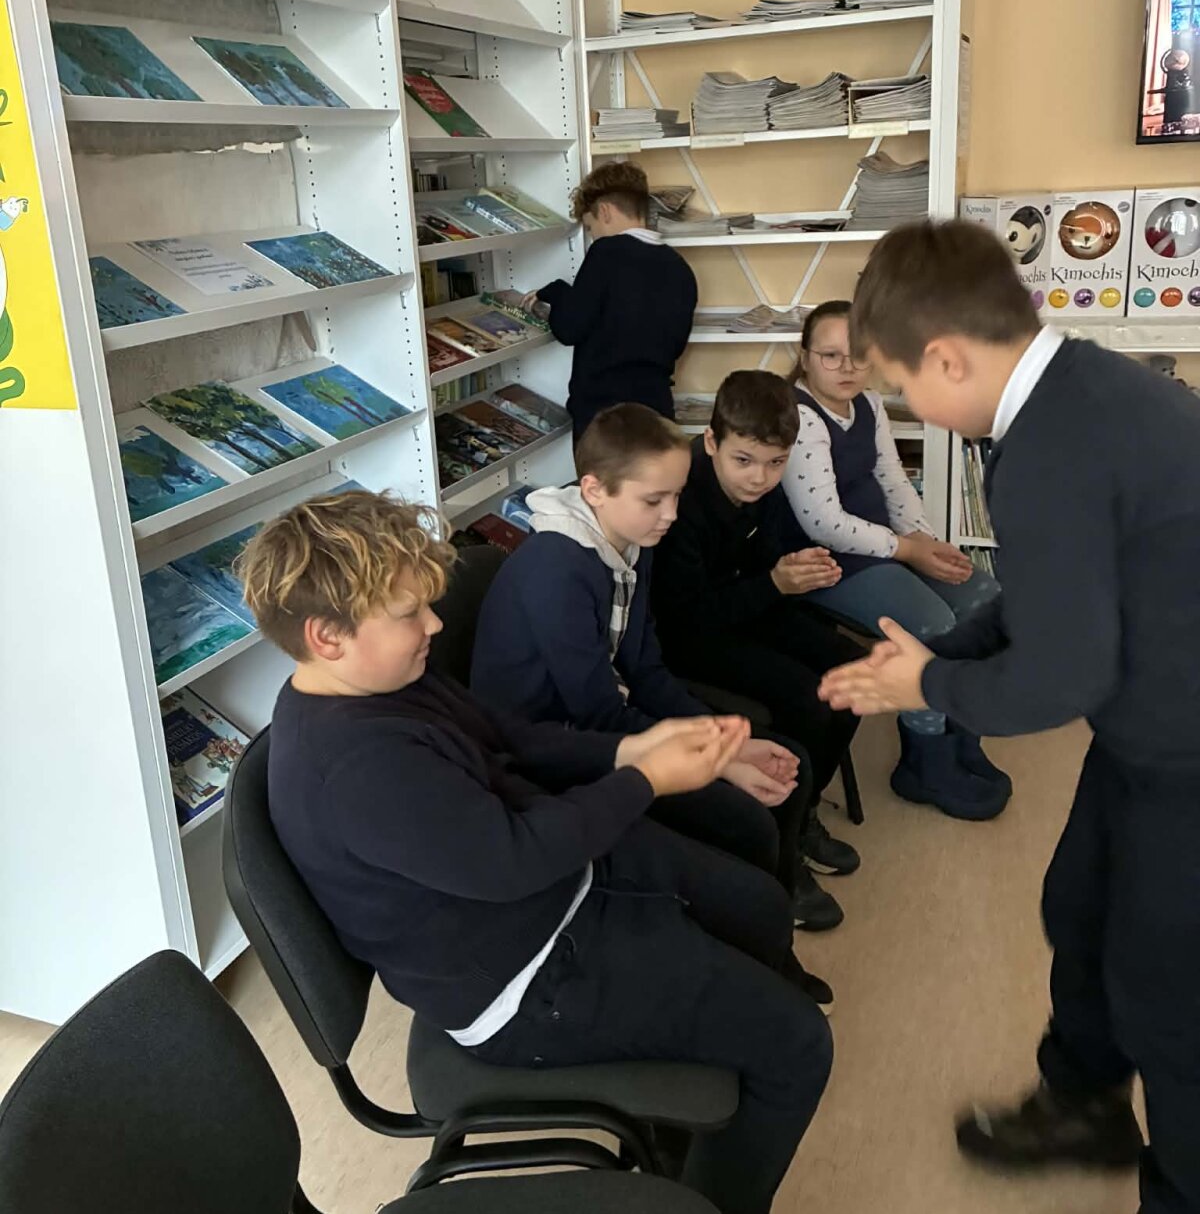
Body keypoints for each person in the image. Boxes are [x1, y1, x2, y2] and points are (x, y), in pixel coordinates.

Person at [241, 489, 832, 1214]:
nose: (434, 623)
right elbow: (513, 861)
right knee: (800, 1046)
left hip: (551, 891)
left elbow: (508, 737)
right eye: (409, 613)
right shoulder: (357, 768)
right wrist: (648, 778)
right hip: (522, 980)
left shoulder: (383, 682)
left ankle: (686, 1126)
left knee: (760, 909)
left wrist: (635, 749)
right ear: (327, 637)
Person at [818, 219, 1200, 1214]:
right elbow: (1047, 608)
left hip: (1185, 752)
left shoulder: (1051, 449)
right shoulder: (1076, 393)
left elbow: (1062, 676)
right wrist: (941, 656)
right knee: (1082, 907)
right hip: (1148, 727)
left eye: (904, 386)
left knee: (1175, 1002)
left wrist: (927, 691)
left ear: (948, 356)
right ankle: (1083, 1102)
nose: (913, 409)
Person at [470, 403, 817, 918]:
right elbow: (597, 714)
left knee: (790, 762)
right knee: (743, 816)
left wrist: (725, 740)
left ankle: (777, 904)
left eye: (677, 495)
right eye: (654, 499)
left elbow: (646, 670)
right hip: (547, 752)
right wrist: (717, 757)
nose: (671, 514)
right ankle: (758, 920)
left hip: (605, 720)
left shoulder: (634, 541)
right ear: (594, 490)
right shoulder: (557, 569)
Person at [649, 370, 865, 933]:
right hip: (689, 637)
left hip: (744, 607)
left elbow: (761, 556)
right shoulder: (680, 500)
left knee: (852, 672)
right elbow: (686, 618)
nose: (760, 477)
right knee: (807, 700)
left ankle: (805, 810)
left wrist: (790, 568)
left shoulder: (761, 488)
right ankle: (781, 848)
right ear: (711, 441)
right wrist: (774, 582)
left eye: (775, 463)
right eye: (744, 460)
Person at [782, 299, 1011, 820]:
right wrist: (908, 550)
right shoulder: (799, 415)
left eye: (859, 355)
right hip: (829, 563)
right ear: (805, 356)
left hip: (886, 544)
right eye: (830, 355)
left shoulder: (867, 403)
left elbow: (892, 481)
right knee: (931, 624)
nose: (847, 367)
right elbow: (823, 523)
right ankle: (923, 762)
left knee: (984, 599)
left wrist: (925, 541)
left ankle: (961, 731)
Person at [530, 161, 697, 442]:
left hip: (604, 417)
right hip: (657, 409)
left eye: (590, 226)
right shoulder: (679, 266)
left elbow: (569, 328)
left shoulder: (606, 252)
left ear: (605, 211)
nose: (592, 235)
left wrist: (556, 291)